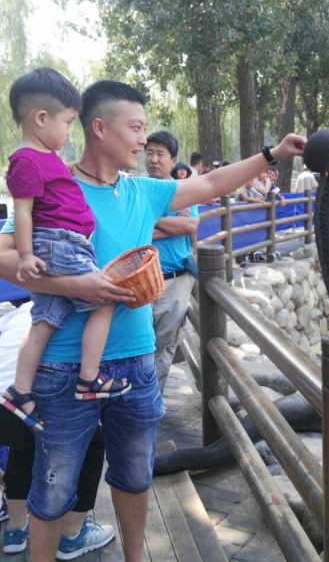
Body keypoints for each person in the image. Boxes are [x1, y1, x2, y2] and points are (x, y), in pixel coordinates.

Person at [0, 79, 305, 562]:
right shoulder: (52, 181)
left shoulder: (142, 191)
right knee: (53, 485)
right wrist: (77, 286)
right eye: (136, 128)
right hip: (62, 368)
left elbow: (211, 185)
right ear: (100, 128)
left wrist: (272, 154)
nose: (144, 141)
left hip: (136, 362)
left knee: (134, 475)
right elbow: (3, 255)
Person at [1, 69, 127, 434]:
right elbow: (23, 210)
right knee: (105, 298)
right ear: (41, 118)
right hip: (60, 244)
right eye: (68, 122)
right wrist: (26, 255)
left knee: (45, 320)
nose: (70, 132)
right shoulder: (27, 160)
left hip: (61, 243)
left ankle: (20, 391)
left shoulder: (43, 157)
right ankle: (89, 378)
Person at [0, 302, 114, 558]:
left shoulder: (19, 312)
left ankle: (16, 528)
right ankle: (73, 534)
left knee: (24, 443)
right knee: (93, 440)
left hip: (6, 403)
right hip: (25, 401)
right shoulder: (77, 317)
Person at [145, 131, 198, 394]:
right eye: (149, 153)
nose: (153, 159)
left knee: (163, 346)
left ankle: (152, 404)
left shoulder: (184, 191)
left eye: (160, 154)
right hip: (141, 281)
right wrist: (172, 223)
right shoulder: (138, 189)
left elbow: (190, 226)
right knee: (137, 345)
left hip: (175, 280)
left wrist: (149, 221)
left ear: (173, 160)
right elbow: (130, 230)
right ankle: (136, 403)